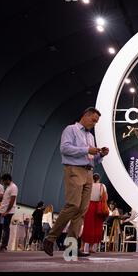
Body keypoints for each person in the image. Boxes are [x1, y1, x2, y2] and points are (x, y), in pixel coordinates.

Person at [43, 107, 109, 257]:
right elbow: (65, 149)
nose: (94, 123)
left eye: (96, 122)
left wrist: (101, 155)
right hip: (74, 169)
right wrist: (87, 150)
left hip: (88, 172)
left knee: (81, 211)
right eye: (93, 120)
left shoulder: (91, 137)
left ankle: (71, 248)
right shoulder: (70, 129)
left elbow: (92, 159)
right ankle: (50, 238)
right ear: (85, 116)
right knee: (73, 205)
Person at [81, 173, 107, 253]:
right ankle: (92, 247)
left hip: (89, 206)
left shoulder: (89, 185)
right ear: (99, 179)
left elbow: (84, 196)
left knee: (87, 226)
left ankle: (82, 246)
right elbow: (105, 197)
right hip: (98, 207)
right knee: (96, 227)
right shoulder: (102, 186)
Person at [0, 174, 18, 252]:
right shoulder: (8, 187)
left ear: (7, 179)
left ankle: (4, 246)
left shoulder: (13, 187)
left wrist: (6, 211)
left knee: (5, 229)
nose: (3, 182)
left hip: (7, 213)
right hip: (2, 212)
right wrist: (0, 208)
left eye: (4, 181)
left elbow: (12, 201)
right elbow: (5, 200)